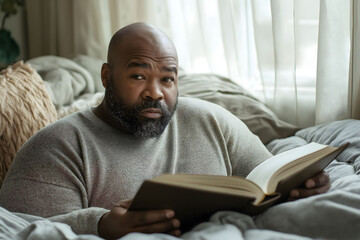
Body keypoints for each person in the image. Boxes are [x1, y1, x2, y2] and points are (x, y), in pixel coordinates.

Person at [0, 22, 330, 239]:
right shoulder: (55, 148)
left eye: (167, 78)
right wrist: (100, 225)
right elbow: (21, 230)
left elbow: (265, 180)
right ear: (106, 77)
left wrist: (299, 184)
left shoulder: (213, 121)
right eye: (139, 76)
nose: (156, 93)